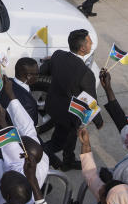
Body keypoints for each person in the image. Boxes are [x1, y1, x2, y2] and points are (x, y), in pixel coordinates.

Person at [41, 29, 103, 170]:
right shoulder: (86, 73)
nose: (92, 43)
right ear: (82, 48)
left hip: (53, 106)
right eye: (89, 41)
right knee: (59, 142)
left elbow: (44, 69)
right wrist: (99, 121)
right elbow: (90, 101)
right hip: (69, 114)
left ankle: (68, 161)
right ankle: (38, 152)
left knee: (70, 137)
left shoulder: (57, 55)